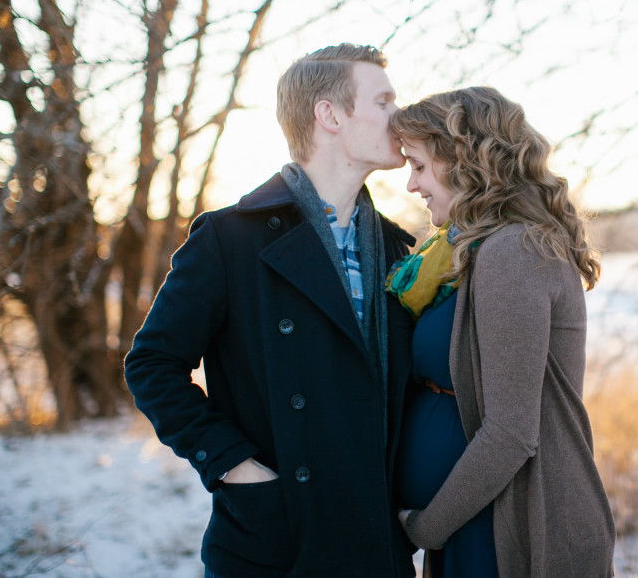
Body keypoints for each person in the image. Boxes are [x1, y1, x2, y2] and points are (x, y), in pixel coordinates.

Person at [124, 44, 418, 578]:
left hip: (377, 540)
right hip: (278, 541)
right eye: (383, 101)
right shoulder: (229, 238)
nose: (400, 117)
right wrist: (234, 465)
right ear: (329, 114)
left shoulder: (400, 249)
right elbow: (151, 365)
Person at [385, 86, 616, 577]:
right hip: (477, 519)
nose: (412, 185)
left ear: (464, 163)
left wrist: (428, 528)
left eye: (420, 166)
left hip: (512, 530)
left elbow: (510, 434)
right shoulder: (475, 251)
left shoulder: (515, 252)